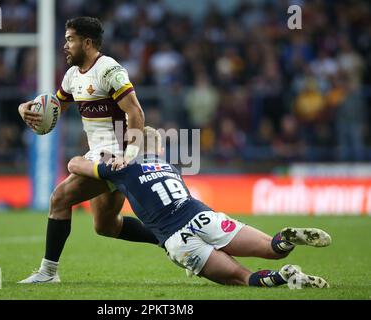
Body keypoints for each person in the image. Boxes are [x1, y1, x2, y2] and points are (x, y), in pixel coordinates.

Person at [67, 126, 331, 288]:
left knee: (240, 277)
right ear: (157, 148)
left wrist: (100, 164)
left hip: (178, 240)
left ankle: (285, 278)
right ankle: (285, 241)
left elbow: (74, 164)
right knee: (271, 249)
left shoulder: (124, 169)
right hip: (203, 216)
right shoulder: (171, 167)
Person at [17, 17, 159, 283]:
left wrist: (128, 156)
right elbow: (54, 108)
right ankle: (172, 242)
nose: (65, 45)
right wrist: (25, 108)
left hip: (116, 156)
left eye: (70, 39)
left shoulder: (109, 70)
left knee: (59, 198)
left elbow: (136, 113)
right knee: (106, 225)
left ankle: (48, 272)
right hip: (100, 155)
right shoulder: (72, 76)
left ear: (87, 42)